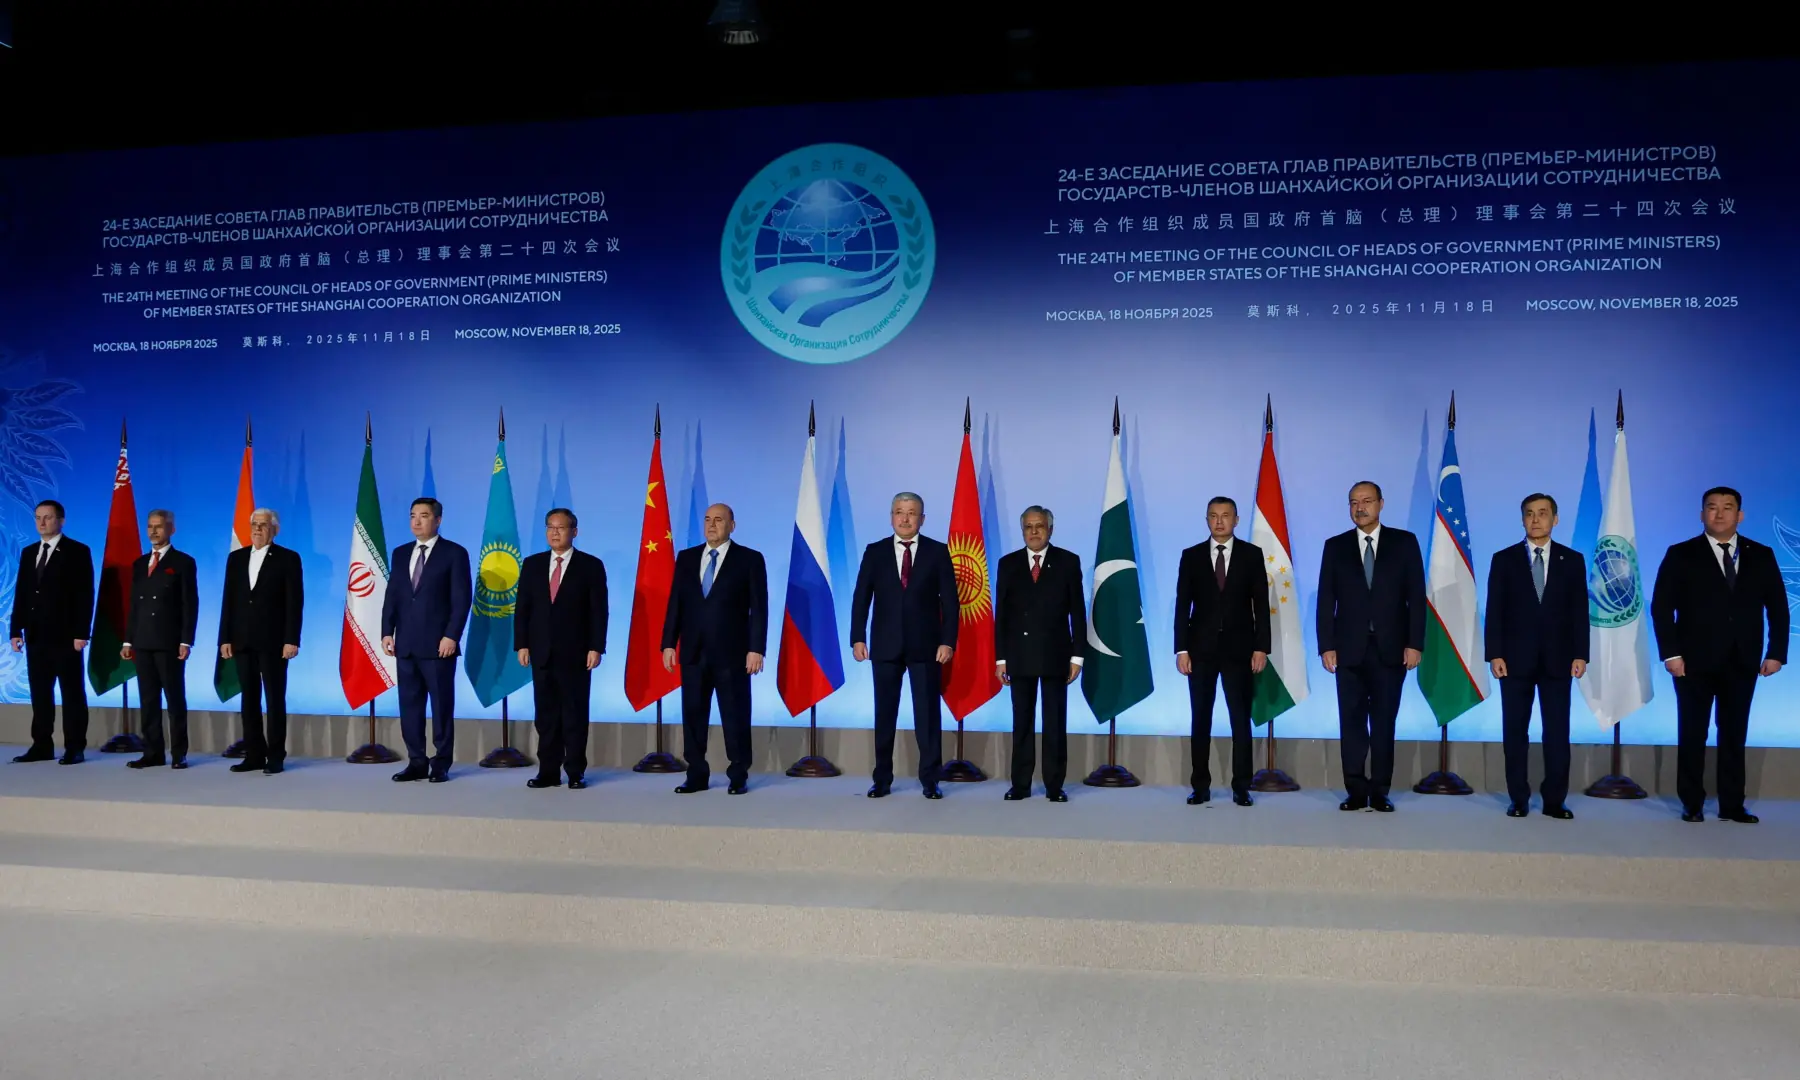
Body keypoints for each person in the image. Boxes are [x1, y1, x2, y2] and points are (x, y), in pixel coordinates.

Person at [1651, 486, 1789, 823]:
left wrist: (1776, 653)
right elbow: (1661, 608)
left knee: (1734, 732)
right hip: (1692, 661)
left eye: (1728, 508)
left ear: (1739, 515)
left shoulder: (1762, 554)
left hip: (1742, 659)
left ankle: (1731, 804)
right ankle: (1692, 803)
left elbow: (1778, 609)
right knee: (1692, 732)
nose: (1720, 513)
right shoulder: (1681, 553)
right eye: (1712, 507)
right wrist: (1670, 655)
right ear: (1702, 514)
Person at [1316, 481, 1425, 812]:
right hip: (1348, 651)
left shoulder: (1404, 543)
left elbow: (1416, 599)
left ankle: (1380, 790)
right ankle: (1355, 789)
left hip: (1391, 650)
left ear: (1380, 503)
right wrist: (1326, 646)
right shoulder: (1335, 546)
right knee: (1350, 722)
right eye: (1353, 502)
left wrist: (1415, 643)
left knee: (1383, 722)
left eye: (1366, 501)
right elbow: (1326, 601)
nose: (1359, 507)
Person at [1484, 493, 1588, 819]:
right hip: (1513, 661)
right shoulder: (1504, 559)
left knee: (1557, 733)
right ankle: (1519, 798)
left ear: (1555, 519)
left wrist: (1580, 654)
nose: (1535, 519)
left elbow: (1579, 612)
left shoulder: (1572, 560)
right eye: (1529, 513)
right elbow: (1494, 611)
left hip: (1558, 660)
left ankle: (1555, 800)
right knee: (1515, 732)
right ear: (1522, 519)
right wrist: (1494, 654)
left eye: (1543, 513)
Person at [850, 492, 958, 799]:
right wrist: (858, 637)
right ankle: (881, 779)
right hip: (884, 647)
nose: (905, 518)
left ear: (922, 519)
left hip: (926, 646)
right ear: (891, 516)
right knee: (884, 714)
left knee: (927, 715)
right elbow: (861, 598)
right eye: (899, 512)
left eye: (912, 513)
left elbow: (950, 603)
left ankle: (930, 780)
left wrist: (948, 641)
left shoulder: (938, 552)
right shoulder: (875, 552)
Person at [662, 503, 769, 795]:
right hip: (694, 653)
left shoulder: (749, 559)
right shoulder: (685, 558)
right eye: (708, 519)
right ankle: (696, 773)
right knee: (693, 714)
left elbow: (759, 609)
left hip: (733, 654)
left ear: (732, 526)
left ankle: (738, 774)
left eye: (719, 520)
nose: (711, 525)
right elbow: (676, 604)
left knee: (735, 715)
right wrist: (669, 642)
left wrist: (756, 648)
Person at [1174, 496, 1270, 806]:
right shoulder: (1190, 556)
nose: (1219, 521)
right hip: (1200, 651)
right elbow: (1181, 606)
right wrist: (1181, 649)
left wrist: (1261, 648)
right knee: (1200, 718)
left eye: (1225, 515)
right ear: (1206, 520)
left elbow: (1261, 607)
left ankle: (1242, 786)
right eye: (1213, 516)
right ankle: (1200, 786)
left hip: (1239, 651)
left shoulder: (1252, 555)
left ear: (1236, 520)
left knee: (1240, 719)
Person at [994, 506, 1086, 801]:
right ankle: (1020, 784)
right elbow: (1002, 615)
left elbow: (1078, 614)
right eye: (1029, 527)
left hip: (1056, 655)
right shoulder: (1007, 564)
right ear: (1022, 531)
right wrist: (1001, 658)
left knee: (1054, 722)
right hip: (1019, 656)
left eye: (1040, 526)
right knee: (1021, 722)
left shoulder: (1068, 562)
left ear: (1050, 529)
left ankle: (1054, 785)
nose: (1034, 531)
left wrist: (1077, 656)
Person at [515, 508, 608, 790]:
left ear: (574, 532)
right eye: (550, 527)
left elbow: (599, 611)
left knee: (574, 715)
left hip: (577, 654)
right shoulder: (532, 564)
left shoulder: (590, 566)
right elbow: (523, 610)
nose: (555, 532)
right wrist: (522, 644)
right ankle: (548, 771)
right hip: (541, 653)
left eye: (561, 527)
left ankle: (576, 771)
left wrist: (596, 647)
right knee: (546, 716)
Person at [383, 497, 471, 783]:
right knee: (410, 706)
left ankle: (441, 762)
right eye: (412, 516)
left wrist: (452, 636)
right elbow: (393, 596)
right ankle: (416, 761)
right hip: (405, 645)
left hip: (438, 646)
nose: (416, 521)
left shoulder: (454, 554)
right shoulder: (399, 553)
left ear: (438, 520)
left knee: (442, 706)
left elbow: (461, 600)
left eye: (423, 515)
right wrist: (387, 631)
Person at [217, 508, 303, 773]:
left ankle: (275, 756)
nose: (257, 529)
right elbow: (228, 601)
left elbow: (294, 602)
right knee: (249, 700)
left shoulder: (288, 558)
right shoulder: (236, 558)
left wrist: (291, 639)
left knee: (275, 699)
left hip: (275, 642)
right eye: (254, 524)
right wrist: (225, 638)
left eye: (263, 525)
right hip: (242, 641)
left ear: (274, 529)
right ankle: (254, 754)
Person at [8, 500, 94, 765]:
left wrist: (82, 632)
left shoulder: (77, 551)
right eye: (38, 518)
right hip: (36, 635)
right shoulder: (29, 552)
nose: (42, 523)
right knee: (40, 693)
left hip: (67, 637)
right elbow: (22, 592)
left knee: (72, 693)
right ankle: (42, 745)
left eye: (47, 517)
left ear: (61, 520)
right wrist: (15, 630)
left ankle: (74, 747)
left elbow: (85, 594)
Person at [121, 509, 198, 769]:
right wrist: (128, 641)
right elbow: (134, 605)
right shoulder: (140, 564)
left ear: (171, 530)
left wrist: (186, 641)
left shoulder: (183, 562)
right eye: (150, 527)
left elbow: (190, 604)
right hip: (142, 642)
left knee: (175, 700)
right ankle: (152, 752)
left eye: (159, 527)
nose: (153, 531)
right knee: (148, 700)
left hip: (169, 642)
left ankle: (179, 753)